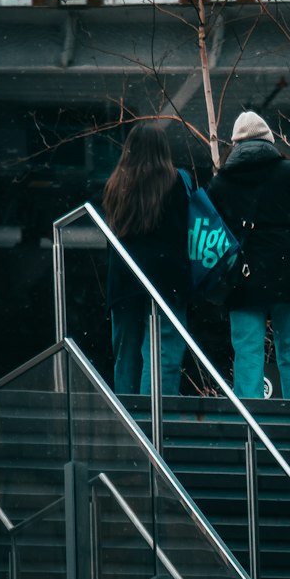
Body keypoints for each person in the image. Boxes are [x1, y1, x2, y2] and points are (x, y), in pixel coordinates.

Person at [207, 111, 290, 400]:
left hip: (243, 275)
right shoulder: (288, 172)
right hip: (288, 269)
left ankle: (251, 422)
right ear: (269, 140)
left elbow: (211, 234)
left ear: (234, 144)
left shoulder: (221, 183)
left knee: (247, 352)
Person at [102, 123, 190, 395]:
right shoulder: (176, 180)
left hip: (124, 277)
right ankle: (157, 423)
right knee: (162, 354)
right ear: (164, 150)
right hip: (165, 278)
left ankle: (129, 423)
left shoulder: (115, 184)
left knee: (125, 354)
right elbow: (184, 230)